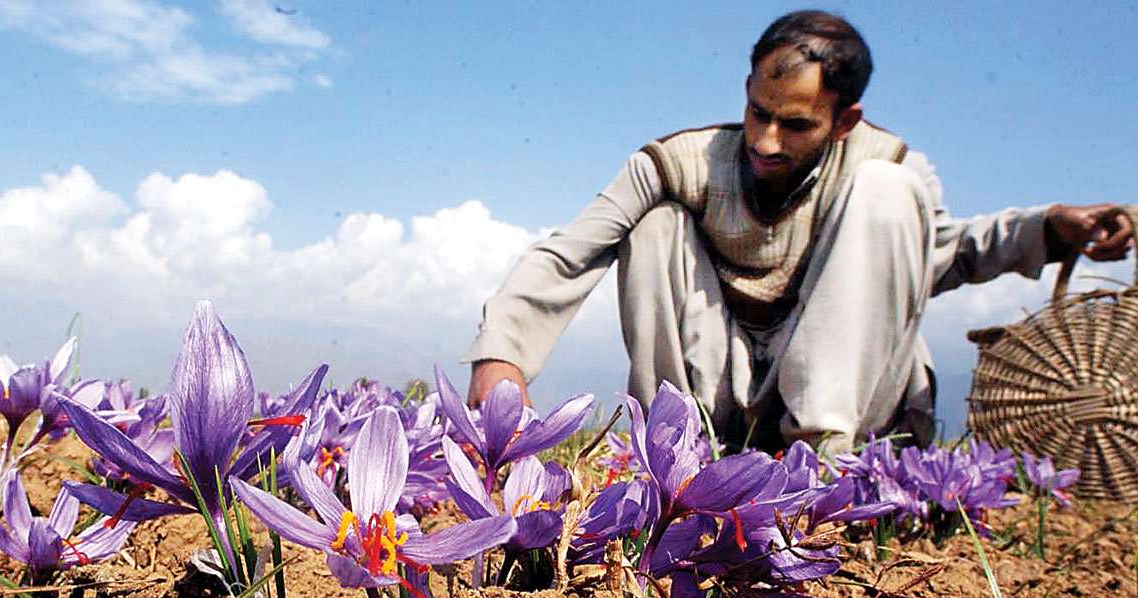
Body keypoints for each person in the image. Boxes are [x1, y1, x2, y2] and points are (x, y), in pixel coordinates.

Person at [462, 10, 1134, 453]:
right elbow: (569, 251)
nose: (765, 140)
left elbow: (946, 254)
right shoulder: (680, 162)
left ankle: (822, 475)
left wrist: (1050, 227)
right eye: (757, 112)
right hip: (718, 386)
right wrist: (502, 358)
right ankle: (678, 462)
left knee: (886, 195)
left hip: (839, 401)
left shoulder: (886, 165)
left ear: (844, 122)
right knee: (656, 221)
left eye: (796, 125)